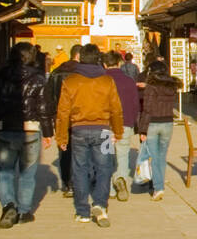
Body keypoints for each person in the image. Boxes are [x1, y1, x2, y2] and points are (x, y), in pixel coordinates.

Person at [55, 44, 123, 227]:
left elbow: (62, 112)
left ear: (80, 58)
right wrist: (118, 131)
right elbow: (116, 109)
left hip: (78, 130)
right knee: (105, 167)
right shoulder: (107, 81)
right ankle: (100, 204)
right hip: (105, 130)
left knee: (79, 170)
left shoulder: (70, 81)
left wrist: (61, 137)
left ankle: (82, 211)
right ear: (98, 59)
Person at [0, 43, 53, 228]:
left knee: (4, 172)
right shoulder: (39, 78)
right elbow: (44, 108)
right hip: (30, 130)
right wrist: (48, 133)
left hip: (6, 129)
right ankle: (24, 211)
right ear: (32, 56)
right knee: (27, 174)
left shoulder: (1, 76)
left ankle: (8, 206)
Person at [137, 61, 181, 200]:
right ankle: (160, 183)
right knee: (162, 156)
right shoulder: (172, 86)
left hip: (153, 124)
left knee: (154, 158)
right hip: (167, 122)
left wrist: (142, 130)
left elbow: (147, 109)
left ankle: (158, 187)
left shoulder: (152, 87)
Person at [45, 44, 83, 198]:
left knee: (64, 148)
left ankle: (67, 183)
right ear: (79, 56)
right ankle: (78, 181)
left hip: (61, 117)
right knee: (80, 149)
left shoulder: (57, 72)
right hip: (81, 117)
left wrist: (51, 117)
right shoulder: (84, 73)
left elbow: (49, 97)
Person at [103, 51, 140, 204]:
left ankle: (110, 190)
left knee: (106, 157)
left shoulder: (101, 81)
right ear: (119, 63)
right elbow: (135, 104)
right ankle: (121, 180)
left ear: (104, 64)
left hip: (105, 125)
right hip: (125, 124)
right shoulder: (129, 81)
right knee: (123, 156)